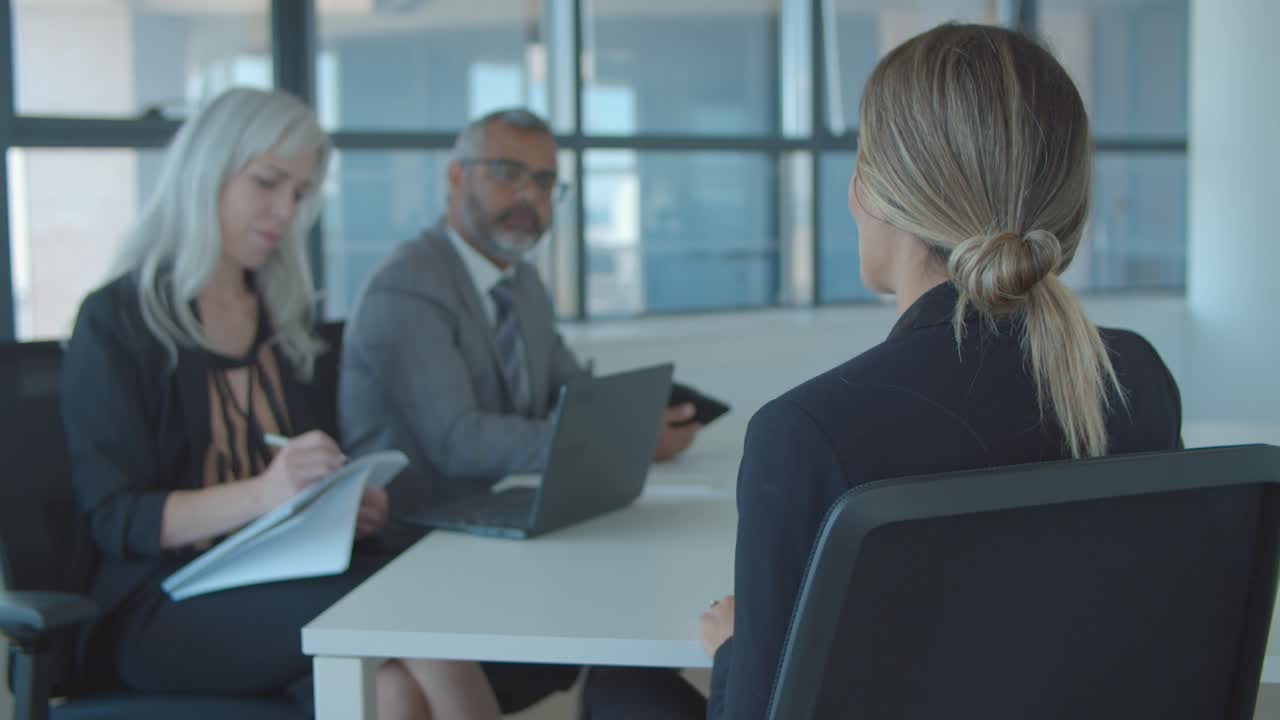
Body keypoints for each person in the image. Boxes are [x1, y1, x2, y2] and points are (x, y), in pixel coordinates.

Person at [695, 24, 1184, 718]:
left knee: (623, 690)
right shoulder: (1136, 379)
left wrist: (731, 651)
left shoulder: (806, 433)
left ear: (874, 193)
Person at [62, 87, 500, 719]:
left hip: (281, 585)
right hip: (162, 607)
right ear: (204, 172)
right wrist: (268, 493)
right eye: (267, 183)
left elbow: (304, 468)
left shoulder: (282, 317)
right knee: (412, 609)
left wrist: (341, 503)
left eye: (299, 194)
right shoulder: (117, 322)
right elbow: (114, 518)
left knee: (393, 693)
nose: (284, 212)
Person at [338, 108, 705, 717]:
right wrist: (629, 442)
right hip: (424, 543)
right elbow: (458, 440)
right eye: (508, 173)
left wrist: (630, 421)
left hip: (508, 524)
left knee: (647, 571)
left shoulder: (521, 283)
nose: (529, 196)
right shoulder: (408, 285)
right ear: (456, 177)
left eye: (544, 181)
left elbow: (566, 391)